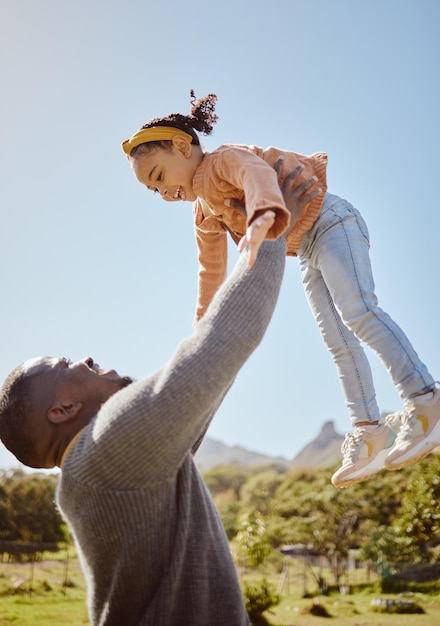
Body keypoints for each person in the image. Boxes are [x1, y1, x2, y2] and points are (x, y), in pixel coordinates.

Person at [0, 166, 317, 626]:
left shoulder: (104, 468)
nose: (87, 358)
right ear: (63, 409)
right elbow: (223, 342)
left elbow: (206, 376)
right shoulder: (108, 446)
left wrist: (234, 239)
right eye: (69, 365)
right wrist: (271, 218)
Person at [121, 91, 440, 489]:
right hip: (306, 247)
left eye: (159, 177)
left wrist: (261, 217)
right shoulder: (203, 212)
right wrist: (203, 323)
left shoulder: (224, 160)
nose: (164, 192)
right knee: (337, 339)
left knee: (358, 310)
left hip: (332, 220)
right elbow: (210, 269)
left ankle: (425, 398)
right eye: (154, 191)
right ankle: (369, 429)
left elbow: (258, 177)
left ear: (182, 147)